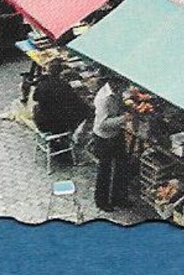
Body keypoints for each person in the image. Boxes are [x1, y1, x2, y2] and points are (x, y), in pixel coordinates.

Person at [91, 75, 130, 211]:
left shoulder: (116, 93)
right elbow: (102, 124)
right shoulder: (104, 99)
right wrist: (124, 118)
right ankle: (101, 201)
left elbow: (119, 106)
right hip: (104, 138)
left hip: (116, 134)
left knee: (122, 166)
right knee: (105, 170)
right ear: (114, 83)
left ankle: (119, 198)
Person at [31, 61, 90, 139]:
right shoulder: (63, 85)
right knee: (82, 111)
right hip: (58, 123)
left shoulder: (42, 83)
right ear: (60, 73)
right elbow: (74, 100)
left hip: (42, 119)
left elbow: (35, 98)